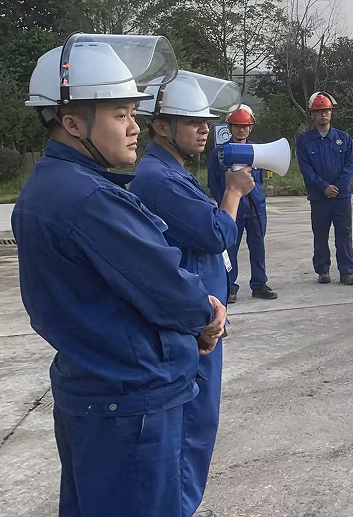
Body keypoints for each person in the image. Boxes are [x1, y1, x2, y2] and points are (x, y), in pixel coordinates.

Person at [14, 36, 226, 517]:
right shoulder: (90, 199)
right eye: (119, 115)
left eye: (133, 113)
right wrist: (206, 315)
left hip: (93, 391)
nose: (134, 128)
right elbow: (165, 286)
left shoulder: (48, 187)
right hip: (131, 401)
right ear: (73, 123)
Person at [131, 69, 253, 517]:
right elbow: (215, 234)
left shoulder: (170, 172)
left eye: (206, 121)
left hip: (200, 318)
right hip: (193, 327)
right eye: (193, 121)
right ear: (162, 126)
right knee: (191, 428)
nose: (204, 129)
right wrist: (234, 193)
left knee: (198, 426)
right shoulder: (160, 178)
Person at [208, 104, 278, 301]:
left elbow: (259, 179)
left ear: (251, 128)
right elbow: (214, 183)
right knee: (229, 249)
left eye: (245, 126)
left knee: (258, 247)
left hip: (256, 208)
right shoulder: (219, 153)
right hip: (233, 210)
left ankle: (259, 284)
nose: (241, 130)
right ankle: (229, 286)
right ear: (229, 128)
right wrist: (226, 203)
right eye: (237, 126)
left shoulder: (258, 151)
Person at [295, 92, 353, 285]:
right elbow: (306, 169)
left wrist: (337, 187)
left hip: (341, 197)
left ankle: (346, 271)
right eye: (319, 111)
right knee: (321, 235)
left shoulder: (344, 138)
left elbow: (350, 165)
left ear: (331, 112)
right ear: (312, 114)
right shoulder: (304, 141)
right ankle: (323, 270)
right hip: (319, 197)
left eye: (327, 111)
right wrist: (324, 187)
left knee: (344, 234)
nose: (324, 114)